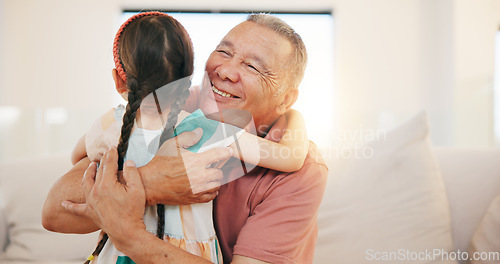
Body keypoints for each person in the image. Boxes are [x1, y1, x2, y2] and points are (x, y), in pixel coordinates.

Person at [43, 12, 311, 264]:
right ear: (189, 74)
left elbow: (79, 155)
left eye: (252, 65)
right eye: (224, 51)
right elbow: (290, 156)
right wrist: (152, 179)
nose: (226, 71)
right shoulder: (202, 124)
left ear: (119, 81)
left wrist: (126, 216)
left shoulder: (110, 126)